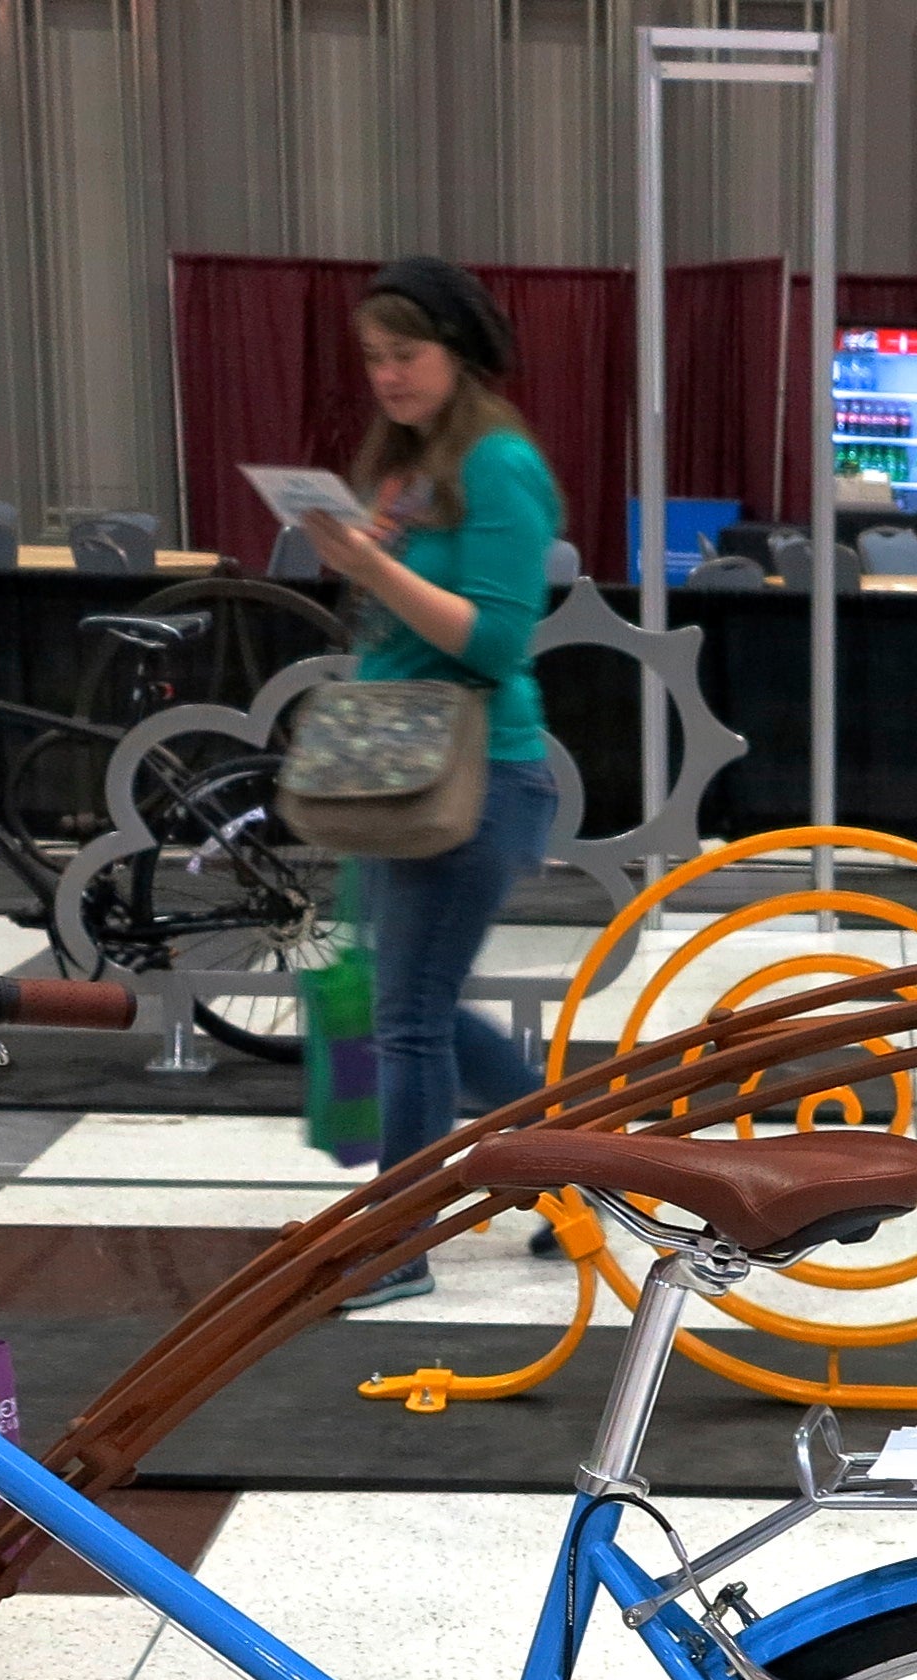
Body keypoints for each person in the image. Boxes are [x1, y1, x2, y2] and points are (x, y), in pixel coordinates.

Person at [286, 256, 565, 1305]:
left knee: (405, 1015)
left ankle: (396, 1244)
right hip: (406, 773)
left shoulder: (496, 466)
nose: (387, 376)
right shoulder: (409, 466)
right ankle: (577, 1171)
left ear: (457, 352)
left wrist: (370, 566)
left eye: (405, 355)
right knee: (423, 1011)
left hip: (476, 775)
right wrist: (367, 550)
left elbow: (495, 641)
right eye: (372, 357)